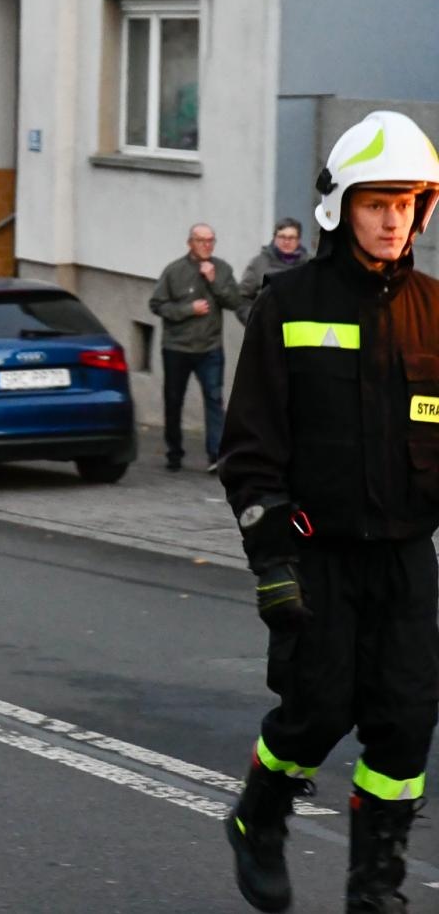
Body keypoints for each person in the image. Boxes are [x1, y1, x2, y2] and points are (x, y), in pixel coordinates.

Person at [219, 111, 439, 913]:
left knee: (407, 724)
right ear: (341, 208)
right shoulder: (287, 305)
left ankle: (374, 890)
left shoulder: (436, 312)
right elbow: (248, 450)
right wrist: (271, 561)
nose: (392, 219)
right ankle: (260, 817)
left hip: (408, 560)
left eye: (408, 202)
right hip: (317, 554)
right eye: (376, 202)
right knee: (317, 712)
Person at [149, 223, 242, 472]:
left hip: (210, 347)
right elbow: (157, 305)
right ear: (190, 242)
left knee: (214, 399)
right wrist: (188, 310)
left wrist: (214, 282)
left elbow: (234, 301)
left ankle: (216, 455)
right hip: (177, 347)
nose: (207, 245)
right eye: (201, 240)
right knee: (173, 400)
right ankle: (174, 452)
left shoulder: (222, 269)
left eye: (211, 240)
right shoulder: (174, 271)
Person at [238, 219, 309, 326]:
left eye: (291, 238)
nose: (286, 241)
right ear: (275, 238)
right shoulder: (259, 263)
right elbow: (241, 299)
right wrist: (255, 322)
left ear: (298, 240)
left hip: (302, 333)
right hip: (268, 335)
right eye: (282, 237)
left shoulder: (312, 264)